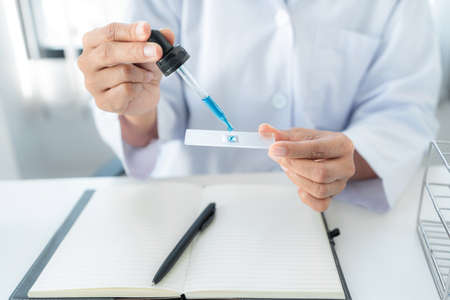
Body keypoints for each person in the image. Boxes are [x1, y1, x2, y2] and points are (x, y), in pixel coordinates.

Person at [78, 0, 441, 212]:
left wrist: (342, 158)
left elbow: (404, 110)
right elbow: (146, 118)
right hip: (189, 205)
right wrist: (134, 103)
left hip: (336, 213)